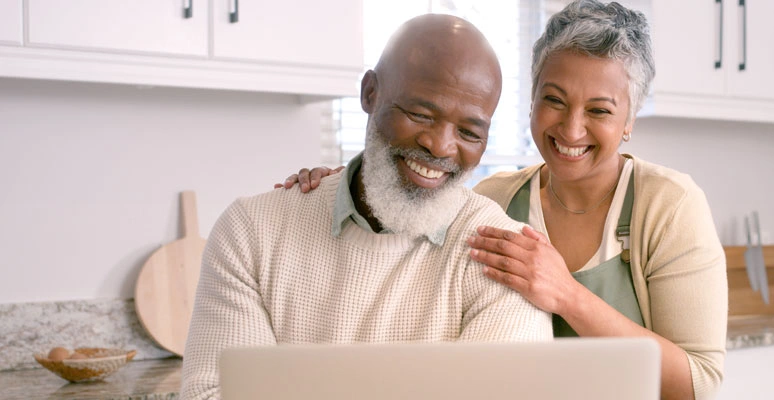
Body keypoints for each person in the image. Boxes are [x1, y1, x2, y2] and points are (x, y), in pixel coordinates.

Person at [278, 2, 728, 398]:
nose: (571, 129)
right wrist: (343, 182)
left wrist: (568, 295)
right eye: (554, 100)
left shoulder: (668, 206)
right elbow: (406, 207)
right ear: (531, 100)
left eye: (599, 110)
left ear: (629, 119)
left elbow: (698, 383)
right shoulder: (495, 200)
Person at [181, 15, 552, 400]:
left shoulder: (507, 258)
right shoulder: (252, 231)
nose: (441, 147)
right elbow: (214, 393)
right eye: (421, 114)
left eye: (469, 132)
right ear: (370, 93)